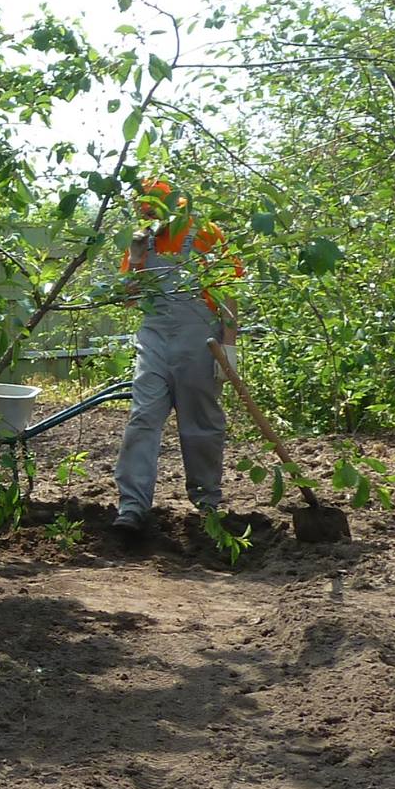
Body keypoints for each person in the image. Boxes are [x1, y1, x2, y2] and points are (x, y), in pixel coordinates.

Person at [113, 180, 240, 531]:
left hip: (199, 340)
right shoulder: (141, 240)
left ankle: (207, 505)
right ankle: (132, 507)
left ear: (173, 204)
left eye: (154, 209)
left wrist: (229, 346)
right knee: (143, 417)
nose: (149, 216)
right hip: (153, 339)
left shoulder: (205, 234)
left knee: (200, 423)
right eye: (145, 211)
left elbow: (228, 290)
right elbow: (127, 299)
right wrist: (136, 258)